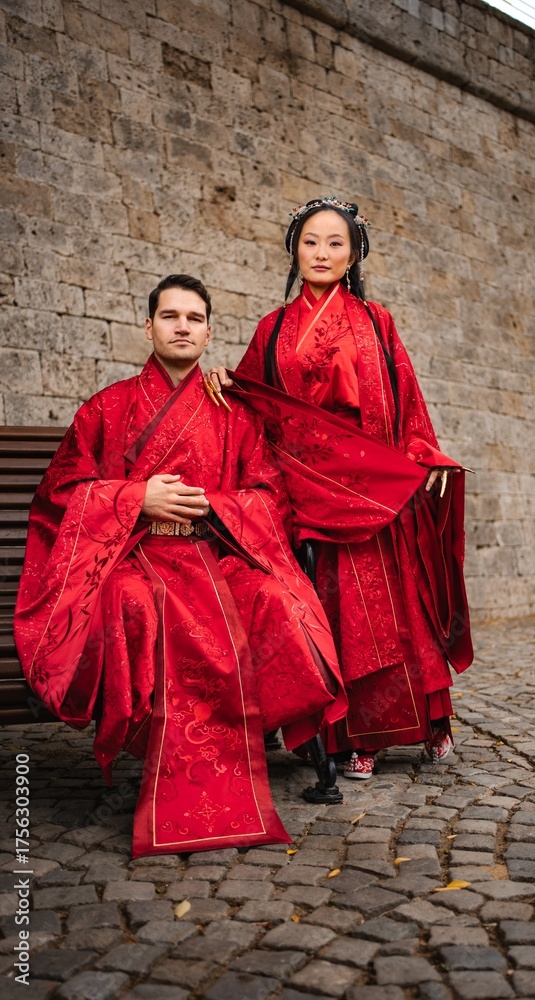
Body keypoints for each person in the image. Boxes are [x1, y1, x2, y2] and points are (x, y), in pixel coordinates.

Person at [14, 274, 349, 857]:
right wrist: (134, 499)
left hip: (214, 554)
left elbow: (268, 496)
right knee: (132, 602)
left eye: (194, 319)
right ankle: (151, 738)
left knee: (275, 601)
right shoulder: (106, 408)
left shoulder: (233, 415)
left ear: (209, 333)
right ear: (149, 327)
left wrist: (216, 508)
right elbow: (60, 493)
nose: (182, 327)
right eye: (170, 316)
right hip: (131, 556)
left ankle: (254, 730)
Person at [206, 198, 473, 780]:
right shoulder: (272, 328)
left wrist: (423, 453)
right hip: (304, 484)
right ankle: (346, 734)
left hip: (369, 479)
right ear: (294, 250)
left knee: (392, 608)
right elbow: (253, 398)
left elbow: (406, 398)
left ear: (353, 255)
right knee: (333, 608)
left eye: (335, 243)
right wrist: (226, 382)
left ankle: (426, 721)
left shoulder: (376, 321)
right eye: (310, 242)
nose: (321, 253)